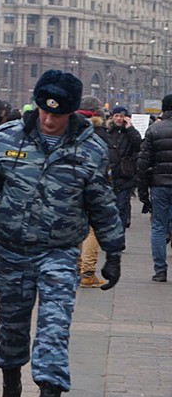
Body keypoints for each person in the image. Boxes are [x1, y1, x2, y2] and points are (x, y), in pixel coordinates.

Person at [0, 69, 124, 397]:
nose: (49, 119)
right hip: (11, 251)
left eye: (58, 113)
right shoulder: (9, 137)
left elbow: (102, 204)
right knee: (12, 324)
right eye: (44, 110)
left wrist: (114, 250)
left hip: (58, 253)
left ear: (71, 112)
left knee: (54, 328)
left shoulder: (90, 150)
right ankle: (11, 388)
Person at [75, 95, 111, 288]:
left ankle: (75, 267)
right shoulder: (99, 132)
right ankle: (87, 273)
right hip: (94, 186)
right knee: (92, 229)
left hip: (70, 185)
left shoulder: (68, 127)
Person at [137, 94, 172, 283]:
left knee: (158, 227)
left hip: (159, 186)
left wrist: (143, 194)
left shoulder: (154, 130)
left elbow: (142, 164)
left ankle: (160, 270)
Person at [108, 105, 141, 230]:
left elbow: (138, 145)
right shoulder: (108, 132)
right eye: (116, 116)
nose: (118, 119)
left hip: (125, 175)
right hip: (110, 175)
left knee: (121, 208)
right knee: (110, 209)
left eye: (121, 116)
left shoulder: (130, 133)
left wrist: (130, 128)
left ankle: (119, 239)